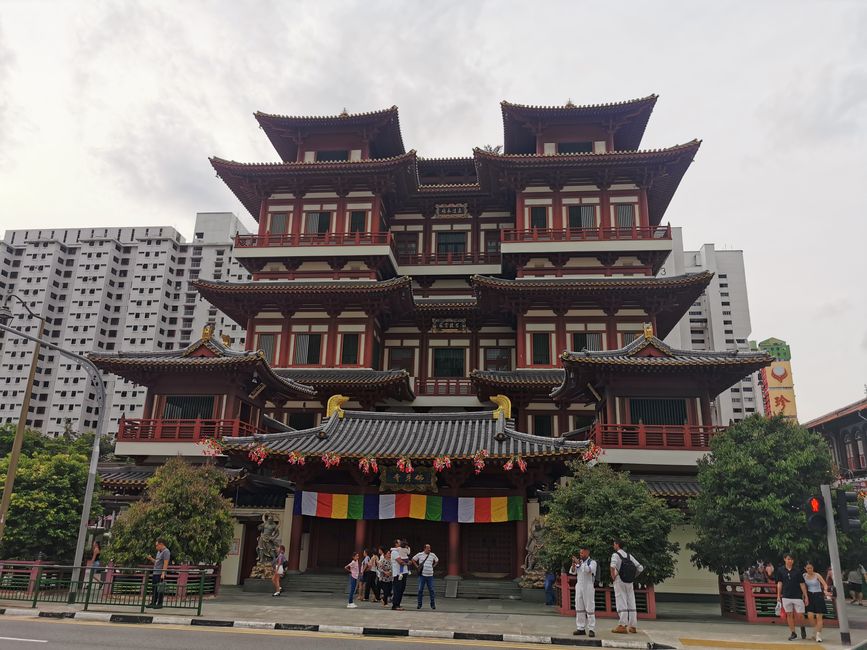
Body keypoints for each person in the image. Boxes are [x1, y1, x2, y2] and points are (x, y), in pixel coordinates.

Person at [610, 540, 643, 634]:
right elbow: (640, 567)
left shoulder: (615, 555)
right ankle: (633, 626)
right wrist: (633, 576)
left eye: (614, 544)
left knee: (621, 601)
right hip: (629, 581)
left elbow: (612, 566)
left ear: (617, 545)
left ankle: (622, 625)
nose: (613, 546)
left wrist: (613, 576)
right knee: (631, 602)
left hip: (620, 581)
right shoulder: (629, 556)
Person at [776, 553, 808, 641]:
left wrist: (805, 596)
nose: (790, 561)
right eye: (788, 559)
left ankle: (802, 627)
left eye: (792, 559)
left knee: (800, 615)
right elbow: (779, 583)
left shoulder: (797, 571)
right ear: (785, 559)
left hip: (797, 595)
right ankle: (793, 633)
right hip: (786, 595)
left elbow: (802, 584)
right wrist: (778, 595)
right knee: (789, 614)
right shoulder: (780, 570)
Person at [570, 546, 597, 638]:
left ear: (587, 553)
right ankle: (580, 628)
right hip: (579, 585)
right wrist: (574, 566)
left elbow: (588, 570)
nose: (580, 554)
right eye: (580, 553)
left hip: (588, 586)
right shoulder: (579, 562)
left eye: (582, 553)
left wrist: (580, 564)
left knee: (590, 607)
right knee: (579, 607)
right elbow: (573, 572)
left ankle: (591, 629)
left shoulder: (592, 562)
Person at [803, 561, 831, 643]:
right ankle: (816, 629)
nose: (809, 569)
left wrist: (825, 590)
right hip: (810, 596)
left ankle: (818, 635)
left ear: (813, 568)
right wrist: (805, 596)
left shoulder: (817, 575)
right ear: (805, 568)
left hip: (818, 595)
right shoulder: (804, 576)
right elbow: (802, 586)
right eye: (808, 568)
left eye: (811, 568)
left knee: (819, 616)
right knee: (810, 616)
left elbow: (825, 584)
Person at [146, 538, 170, 609]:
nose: (156, 547)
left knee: (160, 589)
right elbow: (157, 562)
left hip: (160, 573)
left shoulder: (166, 551)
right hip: (155, 572)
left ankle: (159, 603)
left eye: (157, 545)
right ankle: (153, 602)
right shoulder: (159, 552)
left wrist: (163, 573)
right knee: (154, 588)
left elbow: (165, 563)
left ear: (161, 544)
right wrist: (151, 559)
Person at [412, 543, 439, 610]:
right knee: (420, 590)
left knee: (431, 590)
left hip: (430, 575)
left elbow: (437, 561)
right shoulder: (420, 554)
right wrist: (417, 566)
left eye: (430, 548)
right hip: (422, 575)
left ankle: (432, 604)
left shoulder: (433, 555)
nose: (429, 549)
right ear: (424, 548)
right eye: (428, 548)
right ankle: (419, 604)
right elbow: (413, 559)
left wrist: (433, 566)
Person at [390, 538, 408, 610]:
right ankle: (395, 605)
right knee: (397, 589)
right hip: (397, 573)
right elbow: (400, 561)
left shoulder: (401, 551)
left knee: (402, 589)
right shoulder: (394, 552)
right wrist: (407, 563)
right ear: (396, 544)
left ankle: (398, 604)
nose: (401, 544)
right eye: (399, 542)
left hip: (404, 572)